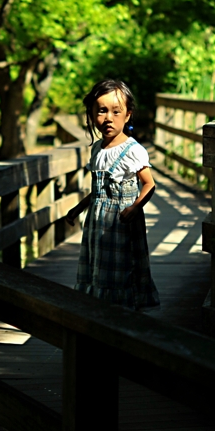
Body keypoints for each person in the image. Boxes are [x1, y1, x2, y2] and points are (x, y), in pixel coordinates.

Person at [63, 78, 160, 310]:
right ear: (92, 114)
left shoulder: (132, 150)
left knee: (121, 267)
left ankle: (121, 311)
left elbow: (149, 184)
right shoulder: (97, 149)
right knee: (98, 265)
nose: (108, 118)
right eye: (102, 111)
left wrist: (135, 207)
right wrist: (77, 209)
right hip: (97, 220)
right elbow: (98, 190)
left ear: (127, 115)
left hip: (121, 221)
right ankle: (99, 307)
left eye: (116, 112)